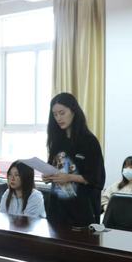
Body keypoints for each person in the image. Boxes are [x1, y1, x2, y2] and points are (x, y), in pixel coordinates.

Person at [43, 92, 105, 227]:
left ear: (73, 111)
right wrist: (47, 176)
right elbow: (52, 166)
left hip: (81, 210)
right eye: (55, 115)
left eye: (62, 113)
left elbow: (96, 178)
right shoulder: (57, 141)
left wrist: (69, 177)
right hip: (57, 209)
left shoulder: (89, 141)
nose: (58, 118)